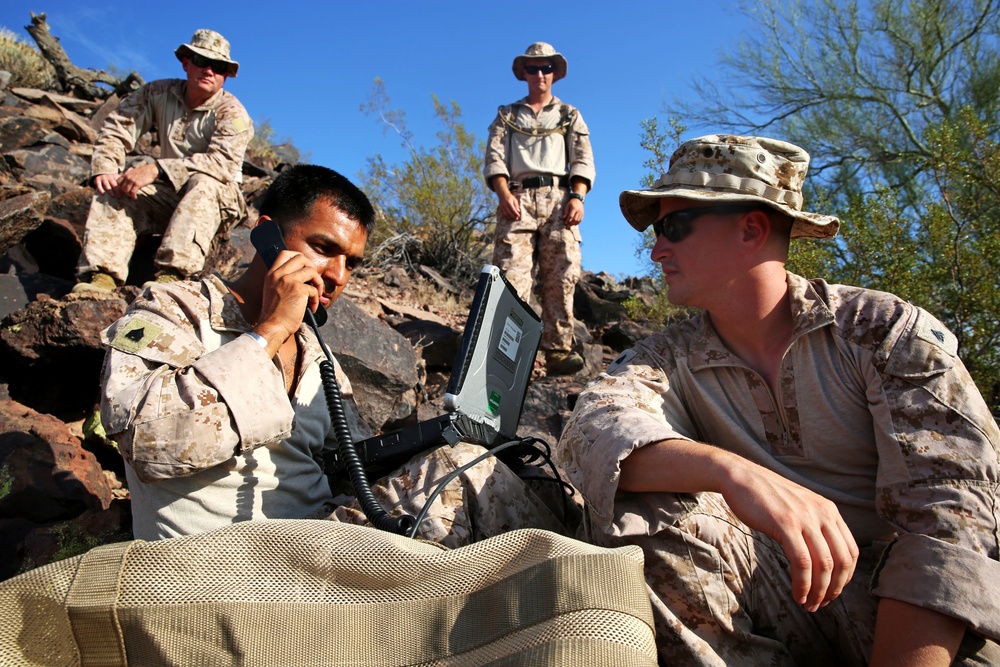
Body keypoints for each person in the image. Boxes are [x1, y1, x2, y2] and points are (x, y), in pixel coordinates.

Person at [555, 135, 1000, 665]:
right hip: (781, 595)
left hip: (913, 627)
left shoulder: (882, 334)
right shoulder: (671, 355)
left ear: (751, 228)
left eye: (674, 227)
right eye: (657, 231)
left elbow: (951, 527)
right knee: (654, 508)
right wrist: (730, 472)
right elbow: (590, 431)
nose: (657, 250)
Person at [100, 164, 567, 544]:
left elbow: (352, 467)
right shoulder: (171, 310)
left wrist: (441, 436)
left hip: (317, 555)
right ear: (267, 236)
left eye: (353, 263)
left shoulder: (319, 360)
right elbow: (148, 443)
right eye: (324, 248)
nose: (339, 275)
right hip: (219, 573)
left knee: (480, 470)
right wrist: (270, 331)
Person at [74, 29, 253, 293]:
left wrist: (157, 168)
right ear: (186, 62)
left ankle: (173, 276)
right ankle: (100, 279)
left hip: (218, 197)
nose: (209, 71)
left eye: (219, 66)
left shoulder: (234, 114)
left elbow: (222, 164)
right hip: (168, 194)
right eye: (202, 61)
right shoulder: (156, 93)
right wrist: (106, 168)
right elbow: (117, 127)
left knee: (204, 183)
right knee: (115, 188)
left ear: (226, 74)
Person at [484, 42, 595, 376]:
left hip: (558, 199)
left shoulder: (569, 115)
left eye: (546, 68)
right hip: (516, 199)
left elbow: (583, 157)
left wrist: (577, 196)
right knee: (511, 276)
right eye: (533, 68)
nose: (540, 74)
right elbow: (494, 157)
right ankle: (507, 355)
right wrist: (503, 193)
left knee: (562, 274)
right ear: (524, 74)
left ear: (555, 73)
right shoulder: (507, 114)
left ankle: (558, 351)